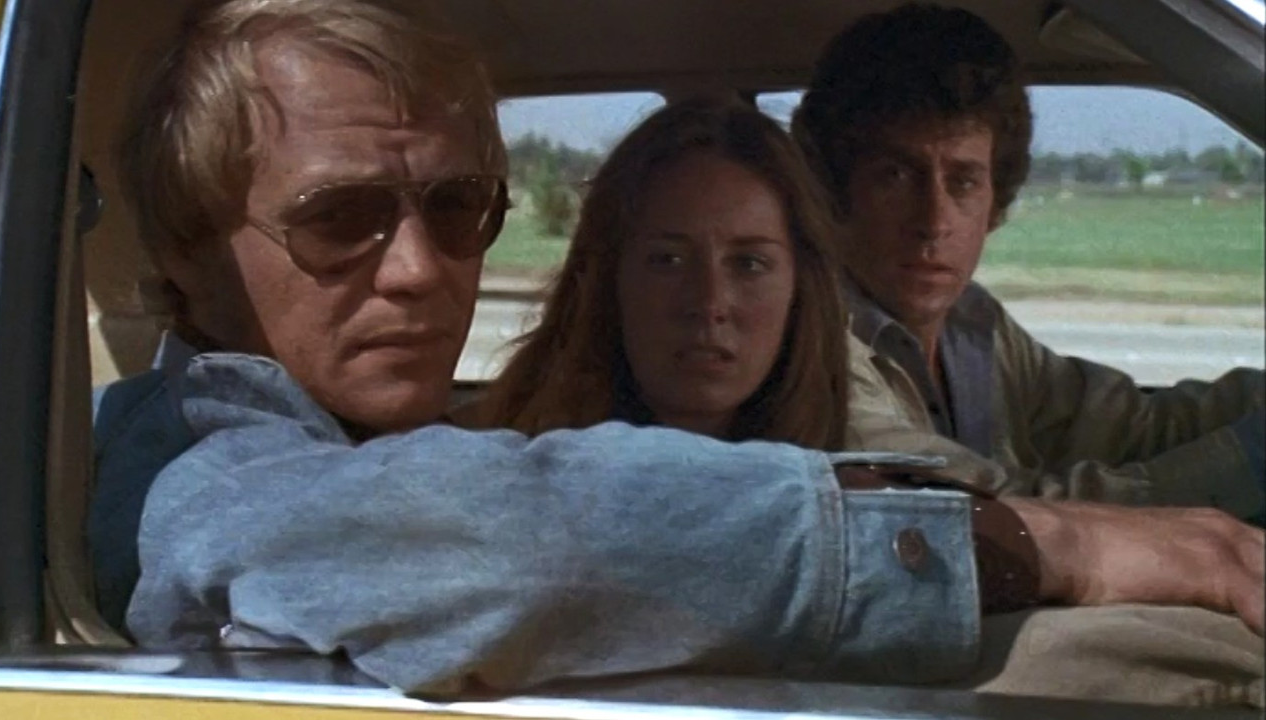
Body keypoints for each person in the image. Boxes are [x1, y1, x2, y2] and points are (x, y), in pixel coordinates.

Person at [92, 0, 1264, 699]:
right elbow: (530, 539)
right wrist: (1052, 542)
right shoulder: (202, 473)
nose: (418, 269)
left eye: (458, 209)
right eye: (339, 218)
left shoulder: (366, 442)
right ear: (190, 252)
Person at [791, 2, 1265, 523]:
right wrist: (1251, 462)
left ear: (995, 200)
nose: (934, 221)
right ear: (834, 189)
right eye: (896, 177)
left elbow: (1136, 427)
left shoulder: (972, 324)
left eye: (963, 182)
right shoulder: (813, 352)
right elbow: (1004, 519)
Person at [475, 97, 848, 449]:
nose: (709, 303)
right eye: (668, 260)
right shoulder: (506, 464)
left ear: (800, 287)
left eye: (748, 264)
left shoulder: (858, 471)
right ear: (608, 279)